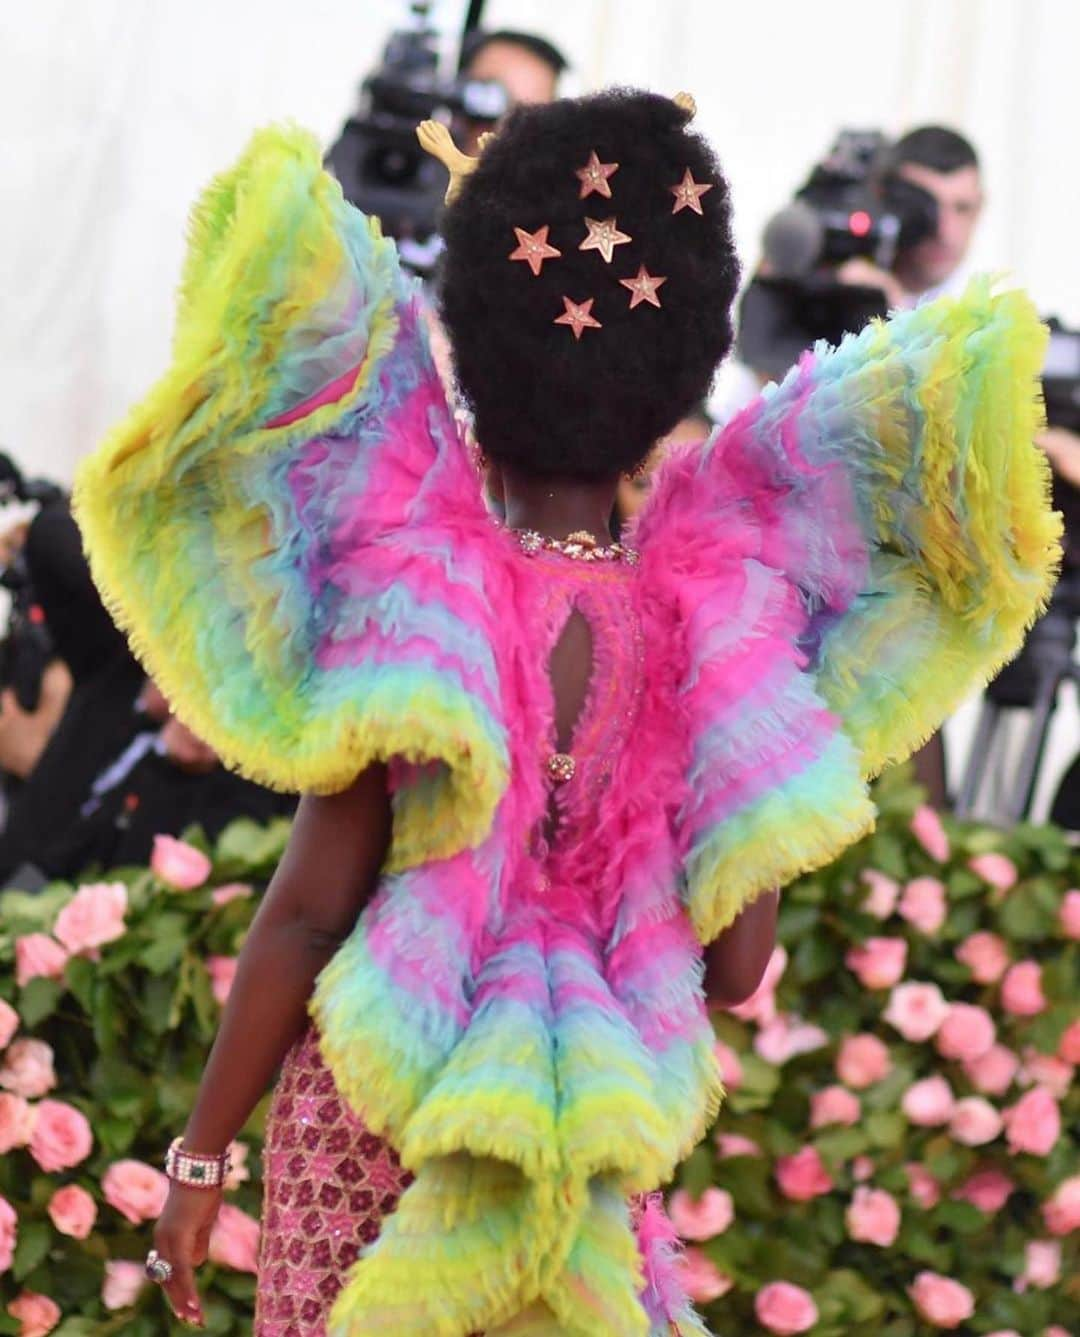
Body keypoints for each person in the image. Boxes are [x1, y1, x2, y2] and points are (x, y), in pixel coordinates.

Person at [74, 91, 1059, 1335]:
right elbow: (740, 967)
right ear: (672, 392)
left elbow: (311, 909)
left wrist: (200, 1161)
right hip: (591, 1149)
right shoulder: (719, 629)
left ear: (474, 364)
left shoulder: (423, 595)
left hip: (378, 1129)